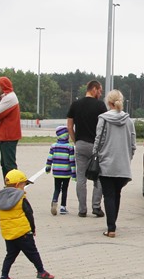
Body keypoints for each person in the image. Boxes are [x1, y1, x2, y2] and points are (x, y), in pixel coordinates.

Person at [0, 169, 54, 279]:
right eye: (24, 185)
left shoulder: (0, 200)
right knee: (33, 253)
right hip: (23, 233)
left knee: (10, 255)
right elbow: (29, 214)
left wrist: (7, 226)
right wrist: (32, 228)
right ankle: (41, 271)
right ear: (17, 185)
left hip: (9, 234)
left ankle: (4, 277)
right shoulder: (21, 199)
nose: (24, 187)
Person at [93, 89, 136, 238]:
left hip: (106, 163)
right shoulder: (129, 121)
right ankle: (113, 225)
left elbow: (99, 140)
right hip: (123, 165)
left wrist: (95, 155)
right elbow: (133, 144)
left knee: (108, 196)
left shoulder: (103, 119)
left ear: (108, 102)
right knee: (117, 194)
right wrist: (128, 158)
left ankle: (111, 228)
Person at [66, 81, 107, 219]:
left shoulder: (75, 104)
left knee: (81, 178)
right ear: (94, 89)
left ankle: (82, 209)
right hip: (96, 146)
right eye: (100, 91)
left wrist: (76, 140)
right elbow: (105, 126)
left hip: (81, 145)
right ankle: (96, 207)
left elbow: (69, 126)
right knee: (99, 177)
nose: (100, 94)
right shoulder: (100, 106)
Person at [0, 76, 21, 182]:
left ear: (3, 86)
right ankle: (9, 185)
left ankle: (15, 185)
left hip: (9, 136)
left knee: (9, 164)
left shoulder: (9, 98)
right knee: (4, 163)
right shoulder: (7, 97)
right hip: (6, 135)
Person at [45, 125, 75, 215]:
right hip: (66, 172)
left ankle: (54, 201)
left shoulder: (53, 146)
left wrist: (48, 167)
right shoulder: (70, 147)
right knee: (64, 189)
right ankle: (63, 207)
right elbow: (72, 161)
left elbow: (49, 158)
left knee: (57, 188)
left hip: (56, 172)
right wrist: (74, 174)